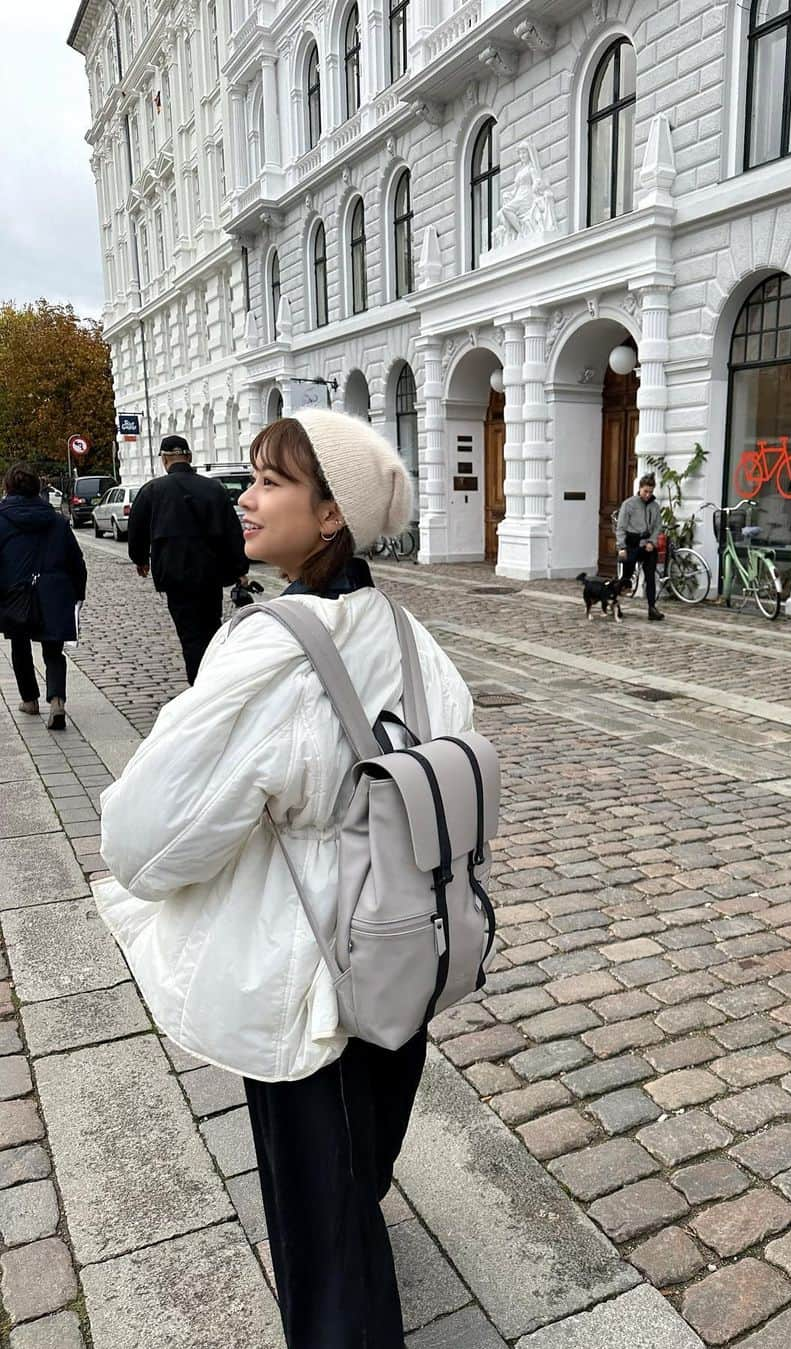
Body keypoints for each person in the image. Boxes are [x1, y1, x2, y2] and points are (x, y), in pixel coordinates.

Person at [93, 411, 473, 1349]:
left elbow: (146, 837)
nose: (246, 498)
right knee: (363, 1158)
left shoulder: (273, 652)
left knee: (319, 1227)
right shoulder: (415, 639)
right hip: (400, 958)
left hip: (305, 976)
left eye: (270, 481)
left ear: (333, 512)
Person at [126, 435, 248, 684]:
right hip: (210, 573)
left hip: (174, 574)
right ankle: (214, 678)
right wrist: (240, 568)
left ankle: (200, 685)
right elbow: (232, 531)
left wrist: (140, 559)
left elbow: (136, 529)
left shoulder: (153, 490)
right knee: (211, 627)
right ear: (189, 457)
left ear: (164, 459)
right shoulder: (213, 488)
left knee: (190, 634)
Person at [0, 463, 86, 730]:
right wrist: (77, 594)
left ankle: (30, 700)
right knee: (53, 651)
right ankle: (57, 700)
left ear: (8, 488)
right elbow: (76, 561)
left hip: (16, 592)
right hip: (54, 591)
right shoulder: (57, 521)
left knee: (20, 646)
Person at [616, 471, 665, 621]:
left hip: (648, 545)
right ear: (640, 489)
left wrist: (652, 542)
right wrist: (621, 547)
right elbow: (621, 527)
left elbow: (658, 526)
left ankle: (652, 608)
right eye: (645, 491)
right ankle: (615, 605)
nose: (648, 495)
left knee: (650, 577)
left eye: (650, 492)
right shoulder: (629, 504)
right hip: (631, 544)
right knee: (626, 577)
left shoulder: (655, 507)